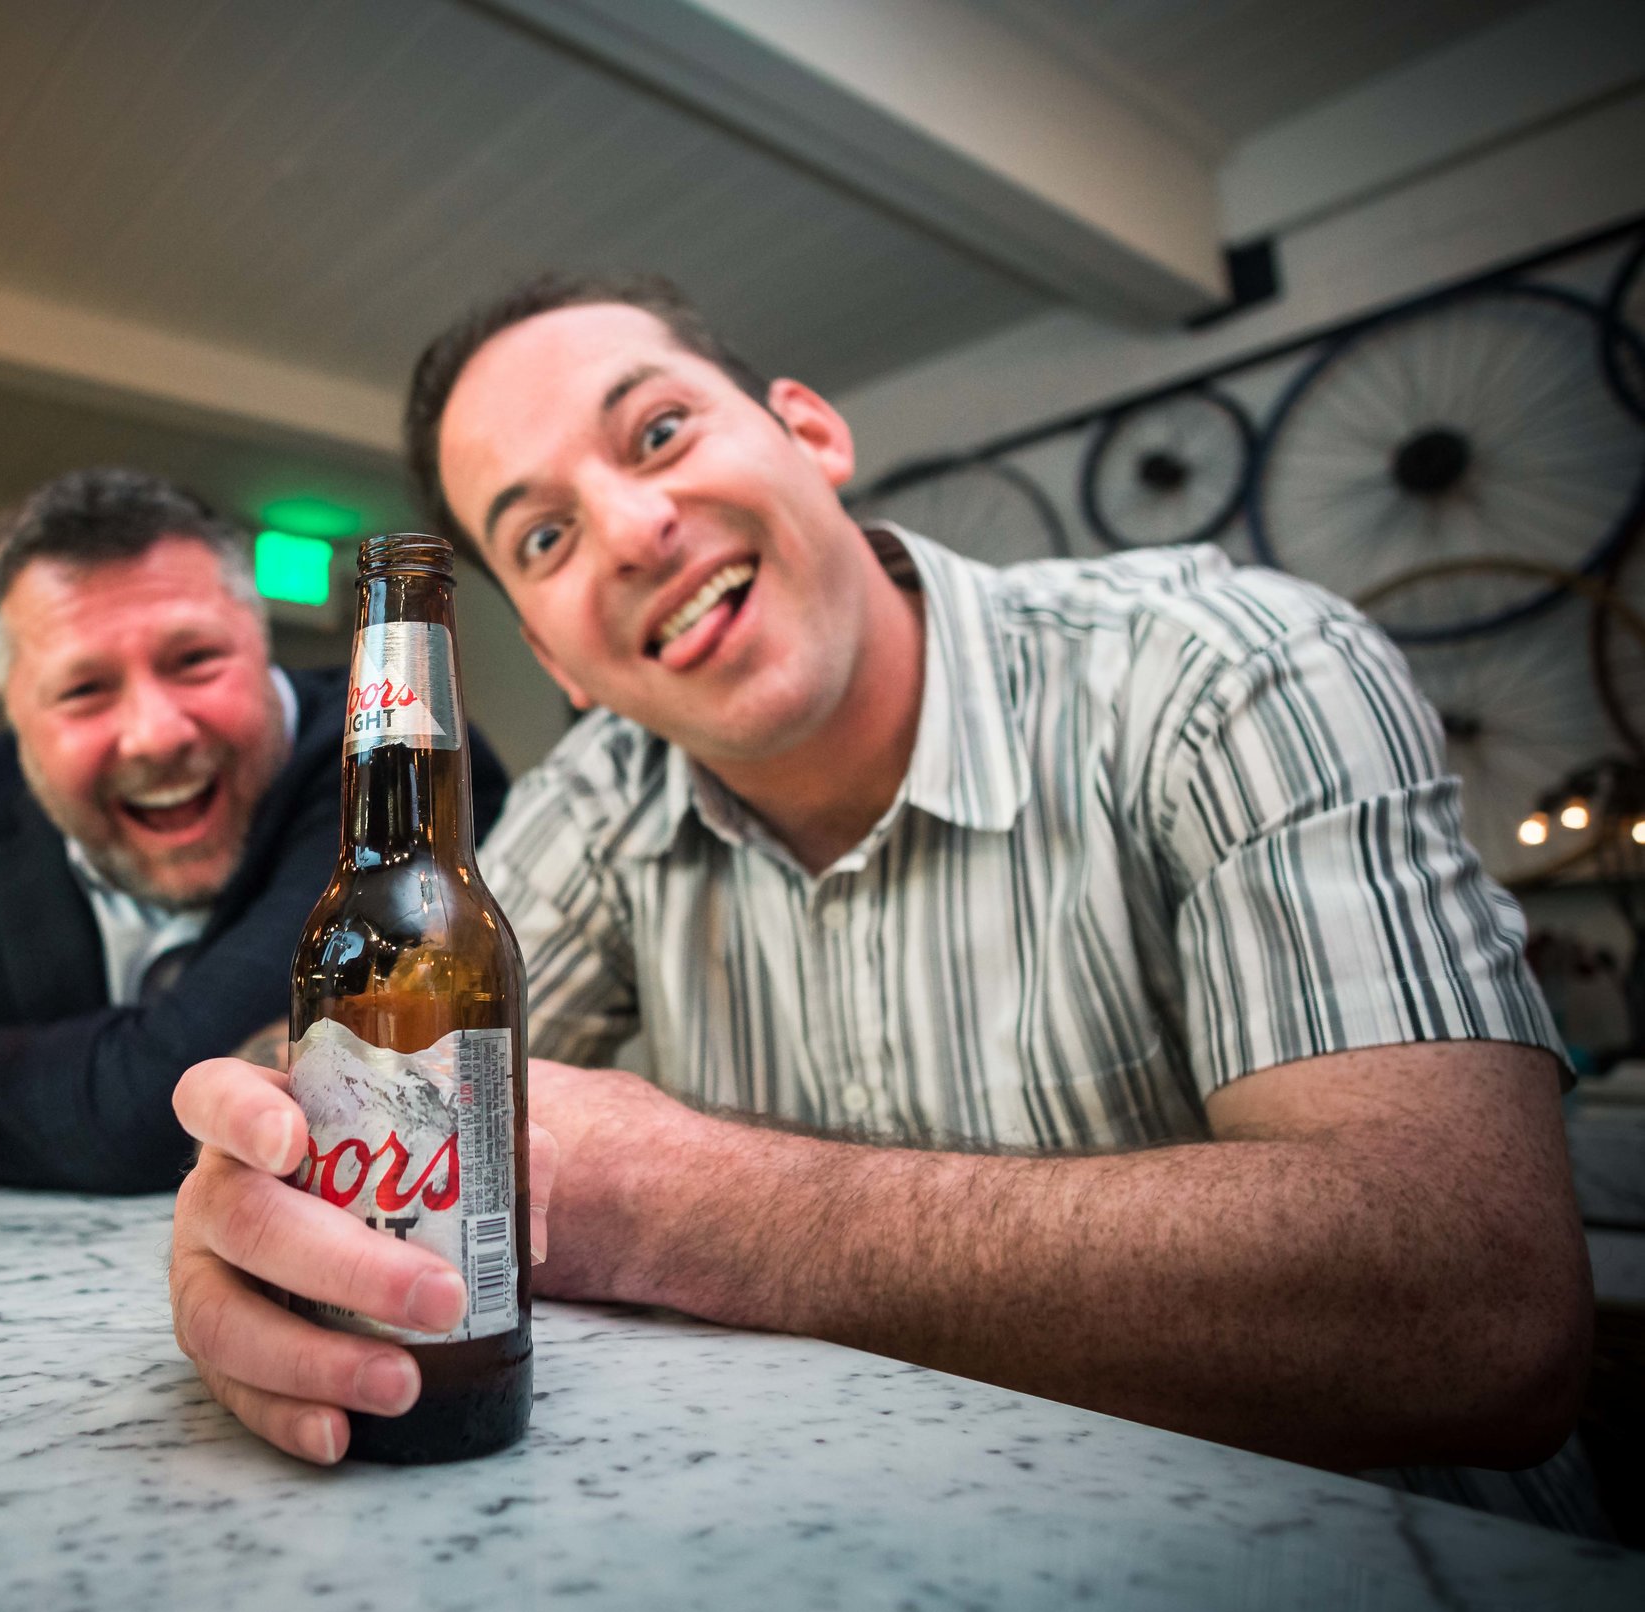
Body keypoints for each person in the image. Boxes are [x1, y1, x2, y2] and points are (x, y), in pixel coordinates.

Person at [165, 275, 1596, 1519]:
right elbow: (348, 1046)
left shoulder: (1229, 673)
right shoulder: (608, 796)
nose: (633, 526)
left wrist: (691, 1198)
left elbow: (1484, 1309)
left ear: (812, 431)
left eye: (658, 430)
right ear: (555, 655)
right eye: (540, 538)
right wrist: (254, 1193)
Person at [0, 467, 509, 1192]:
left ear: (262, 642)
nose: (157, 733)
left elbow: (156, 1107)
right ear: (12, 716)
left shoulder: (399, 773)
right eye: (84, 689)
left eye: (195, 658)